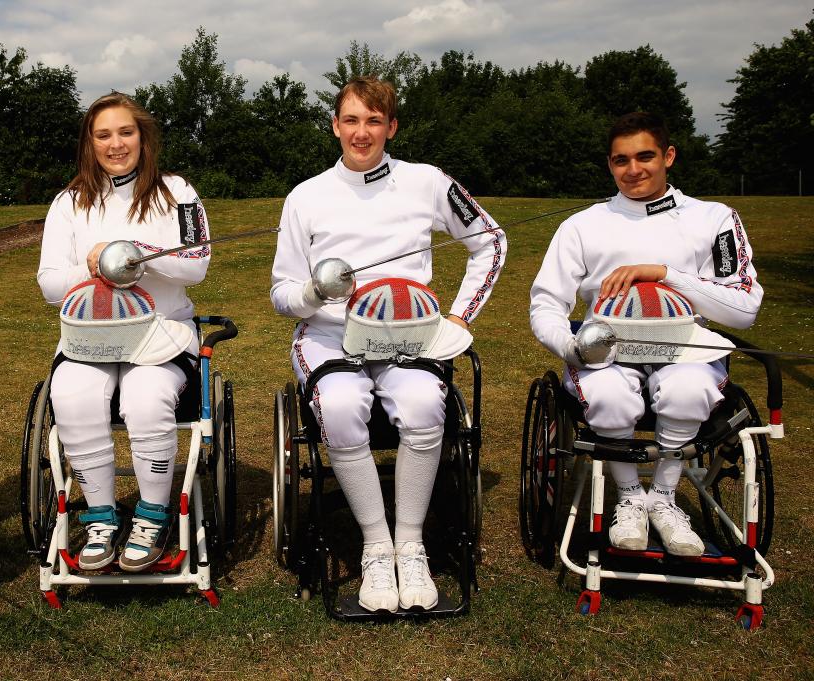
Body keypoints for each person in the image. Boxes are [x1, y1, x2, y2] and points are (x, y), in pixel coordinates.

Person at [271, 76, 507, 612]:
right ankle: (377, 549)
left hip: (408, 338)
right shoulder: (305, 196)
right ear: (335, 125)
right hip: (332, 337)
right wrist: (312, 291)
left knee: (426, 404)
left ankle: (411, 545)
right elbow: (283, 295)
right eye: (351, 120)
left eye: (373, 121)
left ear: (391, 127)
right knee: (338, 405)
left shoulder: (427, 181)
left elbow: (490, 241)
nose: (361, 132)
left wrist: (458, 317)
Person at [530, 111, 762, 556]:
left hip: (686, 349)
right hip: (606, 352)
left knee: (688, 391)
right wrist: (570, 347)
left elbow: (745, 307)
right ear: (609, 164)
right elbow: (546, 303)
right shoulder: (582, 224)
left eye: (645, 156)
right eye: (621, 160)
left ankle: (664, 498)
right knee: (609, 397)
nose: (633, 170)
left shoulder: (715, 219)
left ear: (669, 156)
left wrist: (664, 274)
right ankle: (631, 498)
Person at [37, 93, 211, 572]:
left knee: (146, 396)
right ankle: (100, 517)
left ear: (144, 137)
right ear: (89, 144)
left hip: (162, 334)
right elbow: (50, 284)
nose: (116, 144)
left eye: (126, 132)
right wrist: (93, 264)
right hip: (89, 338)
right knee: (71, 393)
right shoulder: (69, 202)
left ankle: (153, 516)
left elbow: (198, 265)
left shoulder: (178, 191)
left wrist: (137, 250)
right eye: (103, 135)